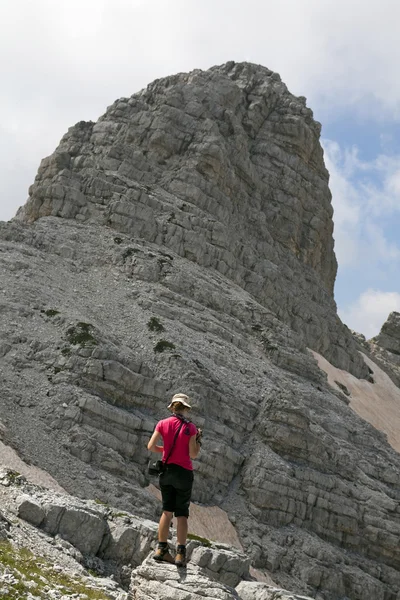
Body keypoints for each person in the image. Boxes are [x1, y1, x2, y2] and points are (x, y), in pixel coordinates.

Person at [147, 393, 202, 567]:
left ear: (172, 407)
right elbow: (193, 454)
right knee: (182, 515)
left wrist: (167, 449)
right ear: (185, 408)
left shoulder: (162, 423)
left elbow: (150, 446)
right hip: (184, 473)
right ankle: (180, 554)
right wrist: (198, 441)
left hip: (167, 472)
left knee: (167, 511)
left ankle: (161, 549)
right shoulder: (191, 428)